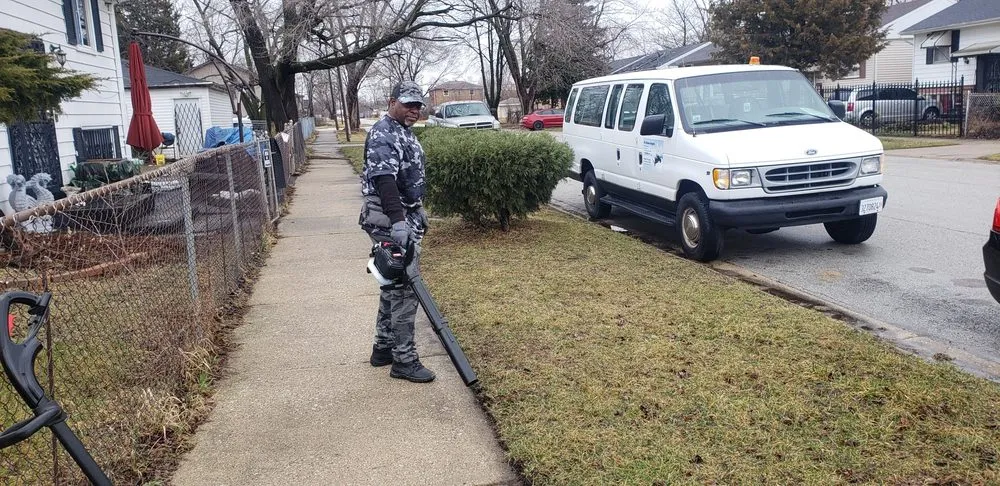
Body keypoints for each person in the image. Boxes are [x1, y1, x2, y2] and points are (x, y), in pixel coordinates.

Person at [358, 80, 434, 383]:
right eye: (408, 104)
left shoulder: (402, 131)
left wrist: (416, 207)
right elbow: (384, 180)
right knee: (405, 290)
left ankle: (383, 347)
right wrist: (400, 220)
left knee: (391, 285)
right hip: (390, 221)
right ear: (392, 102)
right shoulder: (383, 133)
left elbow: (407, 176)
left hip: (402, 215)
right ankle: (404, 360)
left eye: (418, 106)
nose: (414, 110)